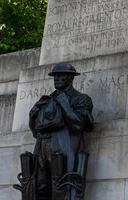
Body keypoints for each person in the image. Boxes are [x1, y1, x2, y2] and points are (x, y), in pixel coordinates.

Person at [18, 63, 94, 200]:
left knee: (62, 187)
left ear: (71, 78)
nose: (57, 78)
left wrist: (64, 104)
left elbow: (78, 125)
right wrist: (32, 115)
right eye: (55, 76)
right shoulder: (46, 101)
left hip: (62, 148)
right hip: (42, 146)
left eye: (62, 76)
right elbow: (36, 132)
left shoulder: (81, 99)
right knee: (38, 187)